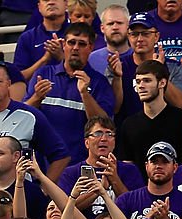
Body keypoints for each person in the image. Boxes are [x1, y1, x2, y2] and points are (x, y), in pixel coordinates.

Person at [0, 61, 70, 184]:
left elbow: (61, 156)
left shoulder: (29, 116)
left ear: (8, 84)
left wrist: (43, 190)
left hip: (18, 198)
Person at [24, 22, 115, 163]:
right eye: (71, 42)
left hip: (79, 165)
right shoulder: (43, 73)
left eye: (82, 44)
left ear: (91, 47)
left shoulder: (99, 82)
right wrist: (37, 97)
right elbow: (23, 116)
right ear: (64, 45)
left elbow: (104, 126)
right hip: (42, 163)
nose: (75, 48)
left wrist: (85, 93)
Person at [115, 60, 182, 177]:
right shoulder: (129, 124)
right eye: (138, 81)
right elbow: (127, 168)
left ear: (162, 83)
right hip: (141, 191)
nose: (141, 86)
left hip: (177, 189)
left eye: (147, 80)